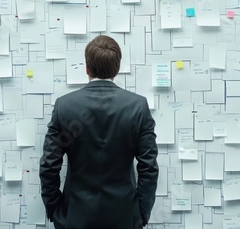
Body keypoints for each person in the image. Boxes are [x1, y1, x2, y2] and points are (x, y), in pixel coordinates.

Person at [39, 35, 159, 229]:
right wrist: (141, 212)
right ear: (117, 68)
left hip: (75, 216)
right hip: (125, 217)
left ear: (87, 67)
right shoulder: (138, 106)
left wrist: (55, 210)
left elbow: (49, 166)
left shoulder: (65, 106)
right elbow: (149, 167)